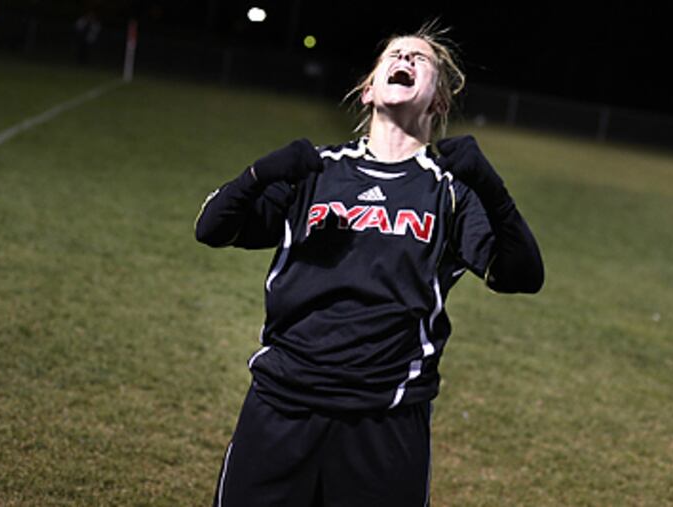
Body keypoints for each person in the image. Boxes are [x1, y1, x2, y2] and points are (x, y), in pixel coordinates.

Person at [195, 23, 543, 507]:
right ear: (367, 89)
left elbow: (523, 277)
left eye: (421, 60)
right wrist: (258, 173)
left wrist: (492, 189)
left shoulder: (452, 190)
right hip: (281, 407)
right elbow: (211, 228)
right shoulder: (316, 170)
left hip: (385, 420)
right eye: (395, 54)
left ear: (438, 101)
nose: (406, 58)